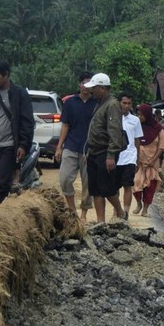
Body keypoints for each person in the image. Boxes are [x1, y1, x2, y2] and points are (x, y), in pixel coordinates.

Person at [0, 60, 35, 206]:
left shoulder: (20, 94)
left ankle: (1, 205)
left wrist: (23, 144)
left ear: (6, 75)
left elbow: (27, 121)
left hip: (10, 144)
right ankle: (3, 203)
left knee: (2, 181)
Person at [84, 73, 127, 224]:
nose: (91, 91)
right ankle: (100, 221)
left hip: (105, 152)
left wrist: (111, 155)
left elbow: (114, 131)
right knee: (95, 189)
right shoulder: (99, 103)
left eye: (94, 88)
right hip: (94, 151)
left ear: (102, 88)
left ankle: (120, 212)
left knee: (107, 188)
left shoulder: (112, 105)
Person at [55, 71, 97, 223]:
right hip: (71, 145)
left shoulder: (97, 104)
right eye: (83, 83)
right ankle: (72, 210)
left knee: (88, 183)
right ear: (79, 84)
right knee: (65, 178)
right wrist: (59, 147)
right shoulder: (70, 103)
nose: (86, 87)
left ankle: (84, 214)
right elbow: (65, 125)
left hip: (89, 149)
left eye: (89, 84)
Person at [133, 104, 164, 217]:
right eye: (138, 114)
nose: (139, 117)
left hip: (152, 162)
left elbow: (162, 146)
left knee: (150, 187)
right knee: (136, 183)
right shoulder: (137, 127)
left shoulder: (158, 129)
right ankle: (138, 204)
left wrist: (153, 160)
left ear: (147, 115)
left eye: (141, 115)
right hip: (139, 162)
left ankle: (145, 209)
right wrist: (137, 159)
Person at [115, 93, 142, 219]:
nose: (126, 106)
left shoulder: (135, 120)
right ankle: (117, 211)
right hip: (115, 157)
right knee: (114, 187)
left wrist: (137, 159)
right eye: (124, 103)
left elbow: (137, 141)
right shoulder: (112, 118)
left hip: (130, 157)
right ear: (119, 103)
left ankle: (125, 213)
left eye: (129, 103)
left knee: (127, 185)